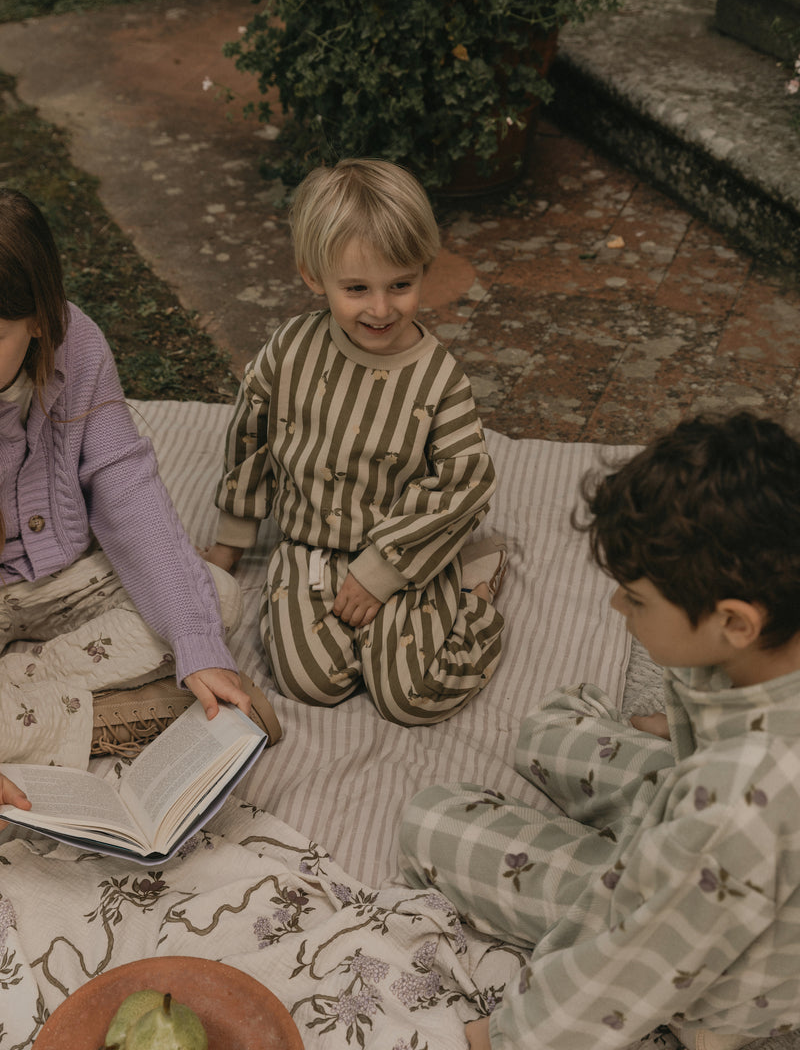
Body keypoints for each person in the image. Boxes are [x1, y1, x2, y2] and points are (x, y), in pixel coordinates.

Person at [399, 410, 800, 1050]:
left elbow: (632, 964)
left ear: (735, 623)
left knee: (430, 819)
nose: (616, 607)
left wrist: (504, 1034)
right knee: (545, 729)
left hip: (710, 948)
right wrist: (680, 729)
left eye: (636, 599)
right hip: (717, 832)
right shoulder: (770, 631)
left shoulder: (736, 805)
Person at [205, 158, 505, 725]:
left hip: (403, 553)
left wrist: (381, 573)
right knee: (311, 683)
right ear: (313, 277)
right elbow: (250, 437)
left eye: (401, 284)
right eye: (357, 288)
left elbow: (464, 486)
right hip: (308, 546)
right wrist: (229, 543)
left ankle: (477, 600)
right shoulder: (290, 349)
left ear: (423, 270)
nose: (381, 308)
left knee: (409, 697)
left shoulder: (440, 380)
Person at [0, 187, 256, 821]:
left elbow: (126, 490)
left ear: (39, 318)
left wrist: (195, 642)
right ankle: (104, 719)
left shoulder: (79, 345)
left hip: (66, 586)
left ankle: (32, 695)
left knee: (213, 599)